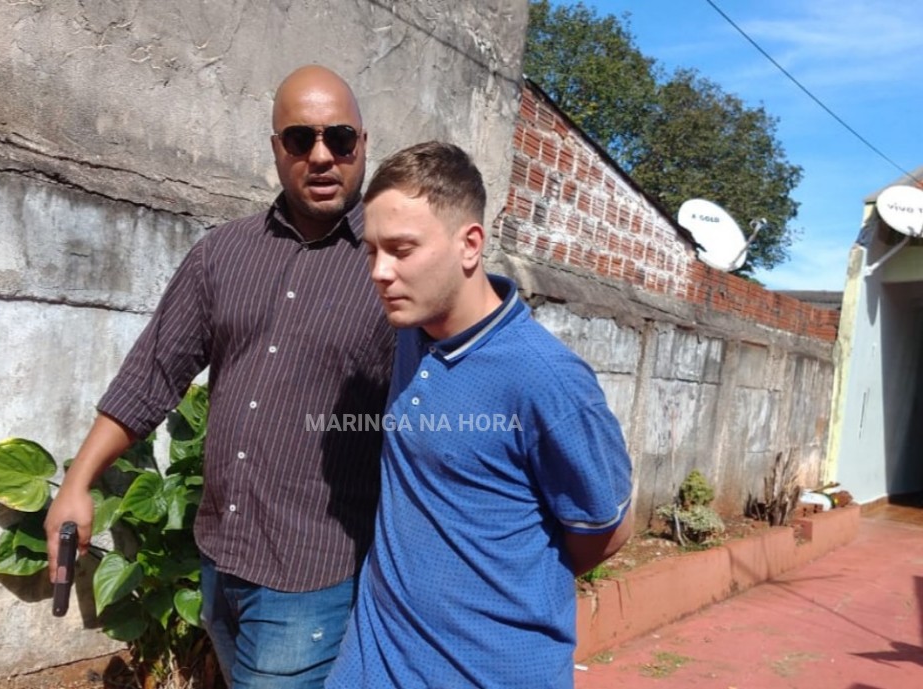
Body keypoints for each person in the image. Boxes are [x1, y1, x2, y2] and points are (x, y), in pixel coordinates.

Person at [44, 65, 394, 689]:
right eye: (299, 139)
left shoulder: (392, 269)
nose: (321, 156)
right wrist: (77, 482)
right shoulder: (221, 255)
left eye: (339, 139)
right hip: (220, 560)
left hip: (312, 582)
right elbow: (152, 374)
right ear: (275, 149)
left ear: (363, 144)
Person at [325, 141, 634, 689]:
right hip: (373, 662)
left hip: (488, 671)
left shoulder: (548, 380)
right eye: (371, 250)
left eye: (401, 249)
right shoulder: (412, 337)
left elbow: (603, 530)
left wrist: (497, 587)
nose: (379, 271)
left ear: (470, 245)